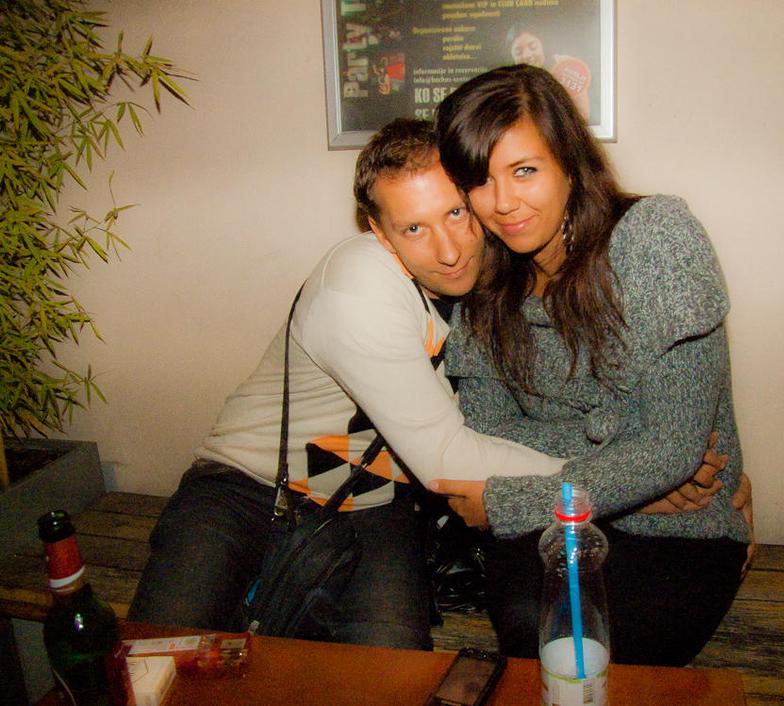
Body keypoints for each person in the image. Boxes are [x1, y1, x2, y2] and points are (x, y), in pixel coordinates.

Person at [129, 118, 733, 650]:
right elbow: (449, 456)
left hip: (378, 504)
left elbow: (534, 416)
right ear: (378, 231)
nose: (448, 251)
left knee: (393, 666)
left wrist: (665, 467)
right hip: (247, 485)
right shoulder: (358, 293)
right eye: (414, 228)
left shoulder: (502, 276)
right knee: (155, 652)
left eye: (455, 213)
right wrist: (627, 484)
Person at [432, 64, 752, 666]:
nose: (503, 203)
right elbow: (488, 432)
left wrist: (512, 501)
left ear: (569, 161)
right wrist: (625, 463)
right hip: (560, 528)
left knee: (595, 647)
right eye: (479, 180)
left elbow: (674, 450)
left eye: (524, 170)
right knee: (535, 628)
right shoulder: (482, 286)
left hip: (681, 529)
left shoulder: (656, 240)